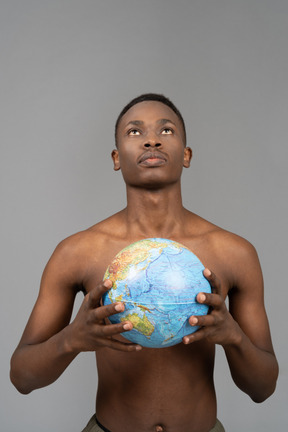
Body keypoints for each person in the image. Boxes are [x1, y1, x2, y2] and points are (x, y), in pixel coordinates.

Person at [10, 93, 278, 432]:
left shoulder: (234, 253)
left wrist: (233, 336)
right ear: (116, 157)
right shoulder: (77, 253)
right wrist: (72, 339)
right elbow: (21, 376)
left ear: (186, 154)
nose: (151, 139)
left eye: (166, 130)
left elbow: (263, 389)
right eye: (134, 132)